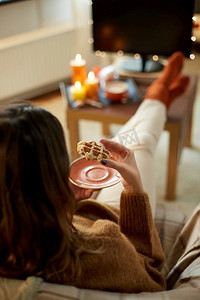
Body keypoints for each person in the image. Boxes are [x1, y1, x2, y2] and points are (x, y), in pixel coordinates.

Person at [0, 52, 189, 293]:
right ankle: (159, 96)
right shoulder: (102, 249)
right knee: (137, 144)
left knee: (118, 142)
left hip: (72, 214)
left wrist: (63, 200)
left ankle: (157, 100)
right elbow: (150, 272)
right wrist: (134, 188)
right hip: (112, 221)